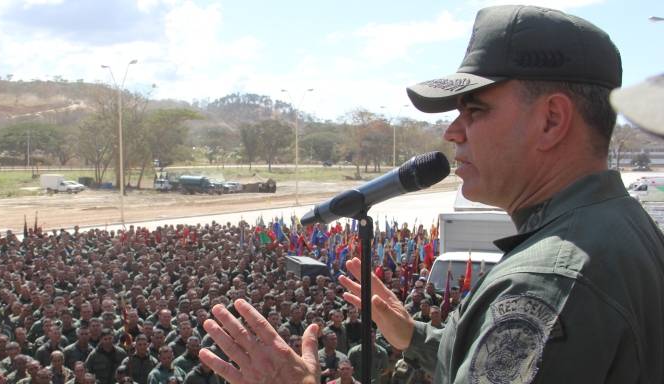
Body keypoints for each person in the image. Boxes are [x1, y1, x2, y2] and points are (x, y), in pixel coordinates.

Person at [199, 5, 664, 384]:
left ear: (551, 121)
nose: (452, 131)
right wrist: (417, 336)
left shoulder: (547, 281)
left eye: (476, 110)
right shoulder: (619, 224)